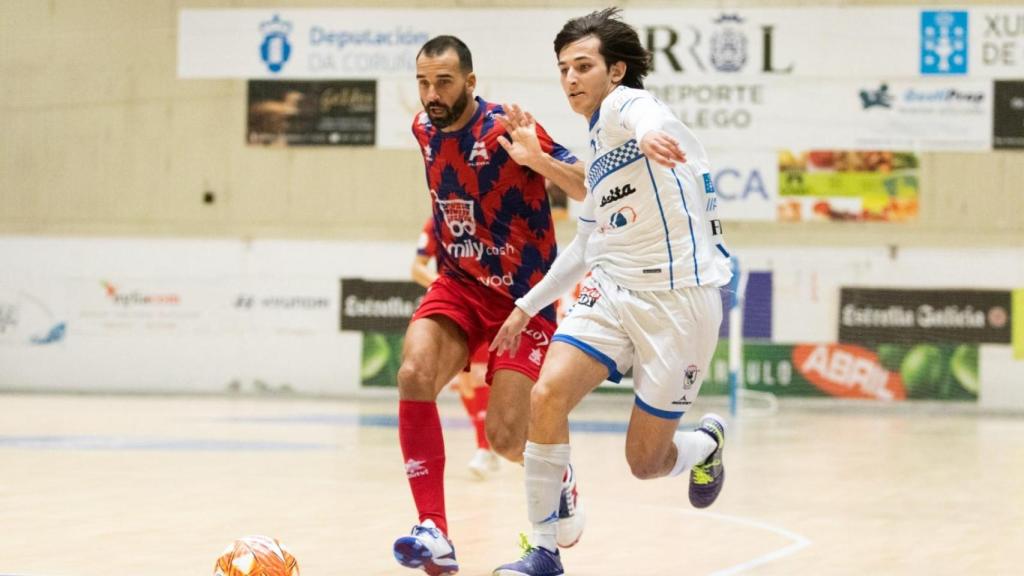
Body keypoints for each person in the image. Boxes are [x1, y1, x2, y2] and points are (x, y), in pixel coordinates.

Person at [491, 9, 733, 575]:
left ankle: (704, 447)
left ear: (615, 71)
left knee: (646, 463)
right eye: (563, 69)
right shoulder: (598, 147)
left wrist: (653, 134)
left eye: (583, 66)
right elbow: (586, 247)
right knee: (546, 397)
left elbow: (646, 113)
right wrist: (527, 307)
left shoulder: (627, 108)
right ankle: (544, 550)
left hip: (680, 302)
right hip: (613, 289)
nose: (571, 78)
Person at [392, 35, 589, 576]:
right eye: (423, 83)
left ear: (471, 83)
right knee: (412, 373)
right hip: (458, 286)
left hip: (523, 298)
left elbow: (589, 187)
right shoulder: (421, 129)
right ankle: (434, 533)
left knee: (506, 440)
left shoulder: (507, 125)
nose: (431, 94)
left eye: (444, 82)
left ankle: (558, 476)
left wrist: (538, 158)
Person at [411, 216, 499, 479]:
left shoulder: (490, 218)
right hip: (455, 307)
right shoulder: (436, 222)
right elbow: (417, 268)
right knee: (466, 382)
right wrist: (446, 288)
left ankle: (486, 447)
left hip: (488, 304)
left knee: (479, 377)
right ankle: (487, 446)